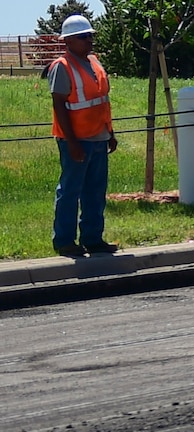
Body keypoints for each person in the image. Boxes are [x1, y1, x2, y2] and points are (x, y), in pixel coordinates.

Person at [48, 14, 118, 257]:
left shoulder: (95, 63)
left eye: (91, 36)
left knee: (95, 192)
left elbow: (102, 101)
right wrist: (73, 142)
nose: (90, 41)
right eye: (83, 37)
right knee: (70, 191)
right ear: (68, 41)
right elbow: (59, 106)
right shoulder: (61, 67)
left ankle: (92, 238)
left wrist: (110, 133)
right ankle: (64, 241)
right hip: (76, 141)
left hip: (98, 137)